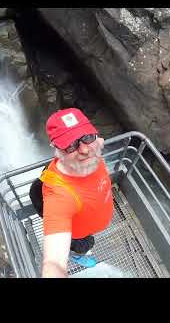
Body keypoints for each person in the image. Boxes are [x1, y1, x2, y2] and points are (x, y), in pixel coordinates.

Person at [29, 108, 114, 278]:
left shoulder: (94, 152)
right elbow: (54, 262)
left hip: (88, 222)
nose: (84, 149)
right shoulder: (59, 195)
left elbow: (94, 145)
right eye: (71, 145)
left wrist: (96, 142)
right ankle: (76, 254)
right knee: (83, 245)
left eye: (87, 137)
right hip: (77, 235)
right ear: (58, 151)